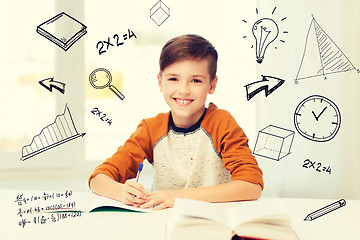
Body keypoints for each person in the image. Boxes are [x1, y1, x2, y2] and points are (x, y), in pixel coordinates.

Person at [89, 34, 263, 210]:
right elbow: (98, 179)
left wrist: (178, 198)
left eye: (196, 80)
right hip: (161, 221)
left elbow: (251, 186)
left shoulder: (222, 123)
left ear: (212, 85)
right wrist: (121, 192)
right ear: (160, 82)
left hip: (210, 220)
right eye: (173, 79)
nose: (184, 90)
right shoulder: (151, 129)